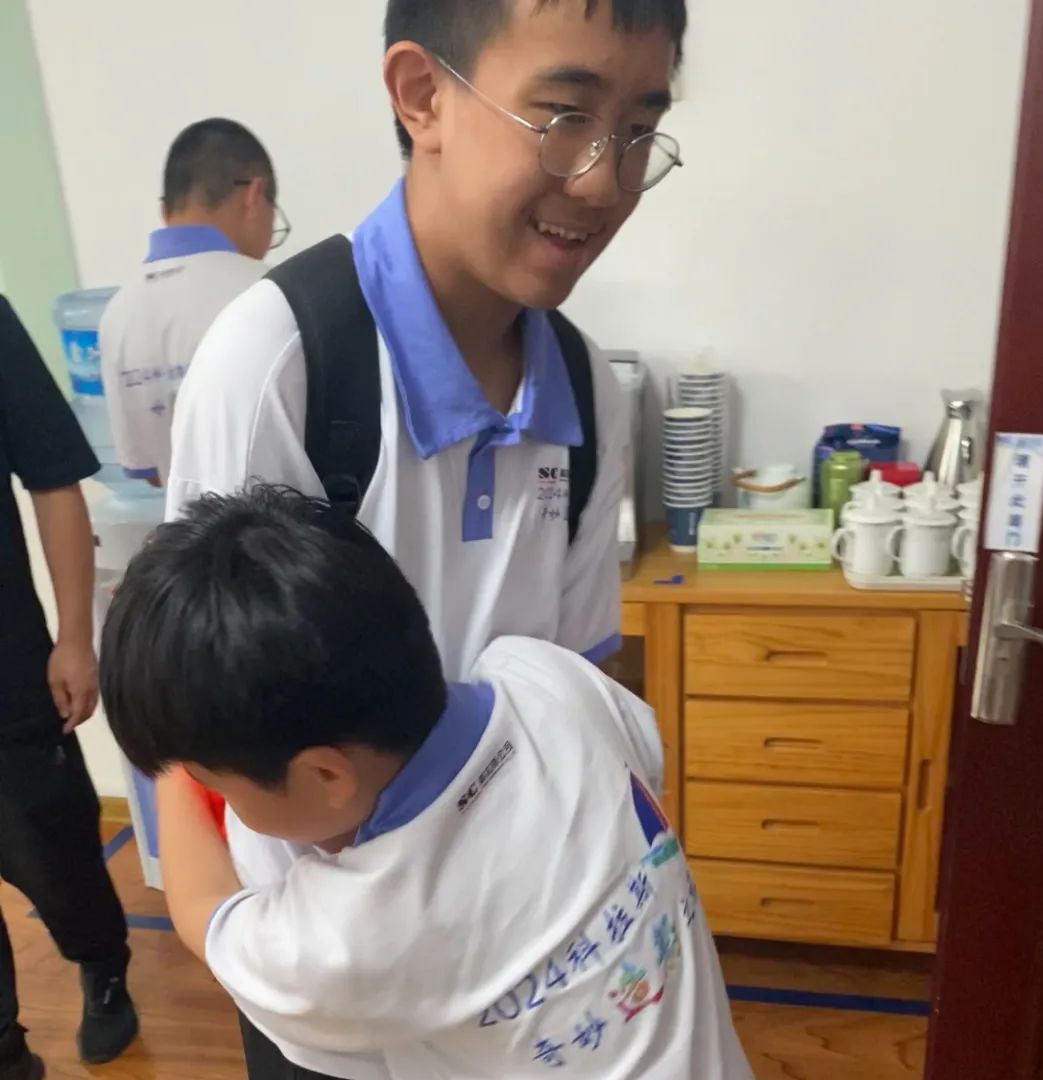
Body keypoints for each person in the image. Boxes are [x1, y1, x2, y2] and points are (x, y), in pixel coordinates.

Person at [99, 487, 753, 1080]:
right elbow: (645, 756)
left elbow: (205, 912)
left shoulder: (348, 937)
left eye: (219, 786)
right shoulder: (545, 677)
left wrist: (174, 759)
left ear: (325, 775)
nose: (220, 800)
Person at [166, 0, 688, 680]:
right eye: (565, 115)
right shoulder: (278, 366)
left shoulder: (585, 388)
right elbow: (211, 716)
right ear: (423, 96)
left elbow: (578, 684)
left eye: (639, 131)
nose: (600, 184)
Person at [0, 297, 138, 1079]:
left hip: (7, 664)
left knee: (54, 851)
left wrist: (76, 638)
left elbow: (54, 480)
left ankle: (103, 962)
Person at [100, 118, 285, 489]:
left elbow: (151, 473)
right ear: (254, 194)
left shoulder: (118, 314)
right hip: (282, 521)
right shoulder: (271, 291)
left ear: (166, 210)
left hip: (185, 524)